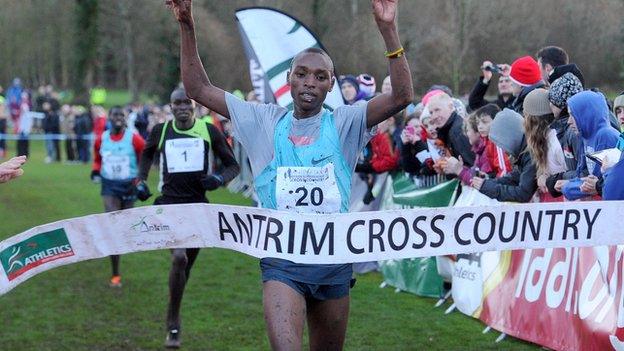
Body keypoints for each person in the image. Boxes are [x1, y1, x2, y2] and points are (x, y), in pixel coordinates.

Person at [167, 0, 413, 350]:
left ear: (331, 85)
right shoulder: (261, 120)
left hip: (332, 260)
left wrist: (388, 29)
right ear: (288, 80)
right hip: (283, 261)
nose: (309, 82)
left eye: (320, 76)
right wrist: (187, 24)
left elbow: (402, 95)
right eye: (301, 74)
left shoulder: (345, 123)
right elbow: (198, 89)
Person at [136, 87, 240, 348]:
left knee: (185, 268)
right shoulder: (161, 131)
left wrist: (218, 179)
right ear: (171, 107)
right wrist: (141, 181)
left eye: (187, 103)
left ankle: (174, 302)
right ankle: (173, 320)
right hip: (168, 206)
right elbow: (147, 153)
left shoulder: (209, 130)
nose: (182, 107)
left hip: (198, 208)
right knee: (179, 258)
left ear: (195, 106)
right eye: (177, 103)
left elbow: (233, 165)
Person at [91, 106, 145, 287]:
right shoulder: (102, 138)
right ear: (109, 118)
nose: (118, 118)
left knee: (125, 228)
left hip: (129, 186)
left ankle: (117, 248)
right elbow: (98, 159)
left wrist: (140, 179)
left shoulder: (134, 138)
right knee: (113, 225)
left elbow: (145, 155)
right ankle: (115, 274)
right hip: (110, 186)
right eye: (115, 115)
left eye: (121, 115)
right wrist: (95, 171)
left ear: (125, 118)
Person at [558, 91, 620, 200]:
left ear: (586, 114)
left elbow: (596, 184)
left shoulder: (605, 135)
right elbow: (586, 179)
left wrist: (568, 186)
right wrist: (571, 182)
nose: (569, 121)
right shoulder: (585, 136)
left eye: (573, 115)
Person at [471, 109, 538, 202]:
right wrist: (489, 183)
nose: (504, 150)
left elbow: (523, 193)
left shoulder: (530, 154)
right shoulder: (523, 151)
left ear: (510, 135)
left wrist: (491, 188)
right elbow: (515, 177)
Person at [522, 88, 567, 202]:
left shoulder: (556, 141)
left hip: (565, 204)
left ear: (532, 120)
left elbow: (570, 174)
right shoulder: (543, 139)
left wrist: (548, 179)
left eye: (525, 116)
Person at [427, 92, 475, 167]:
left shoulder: (457, 131)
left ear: (451, 107)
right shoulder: (448, 130)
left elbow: (472, 165)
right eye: (431, 112)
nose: (434, 116)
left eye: (437, 110)